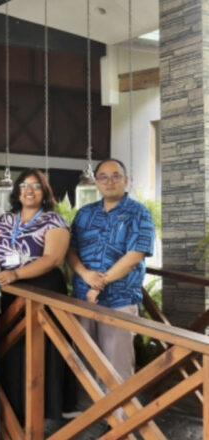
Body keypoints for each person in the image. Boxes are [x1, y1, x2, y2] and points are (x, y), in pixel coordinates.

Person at [0, 168, 71, 421]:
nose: (29, 191)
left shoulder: (54, 221)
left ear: (44, 193)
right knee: (11, 349)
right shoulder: (6, 220)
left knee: (41, 350)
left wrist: (16, 274)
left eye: (35, 186)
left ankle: (44, 410)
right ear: (16, 192)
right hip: (8, 290)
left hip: (42, 290)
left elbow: (53, 259)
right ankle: (12, 409)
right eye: (23, 186)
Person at [67, 158, 154, 399]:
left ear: (126, 180)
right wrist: (86, 275)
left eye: (116, 176)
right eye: (103, 177)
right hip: (84, 299)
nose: (110, 181)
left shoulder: (139, 212)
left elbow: (135, 255)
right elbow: (71, 251)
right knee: (86, 362)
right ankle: (91, 417)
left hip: (119, 301)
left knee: (118, 367)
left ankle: (121, 425)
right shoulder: (84, 214)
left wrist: (101, 282)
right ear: (96, 182)